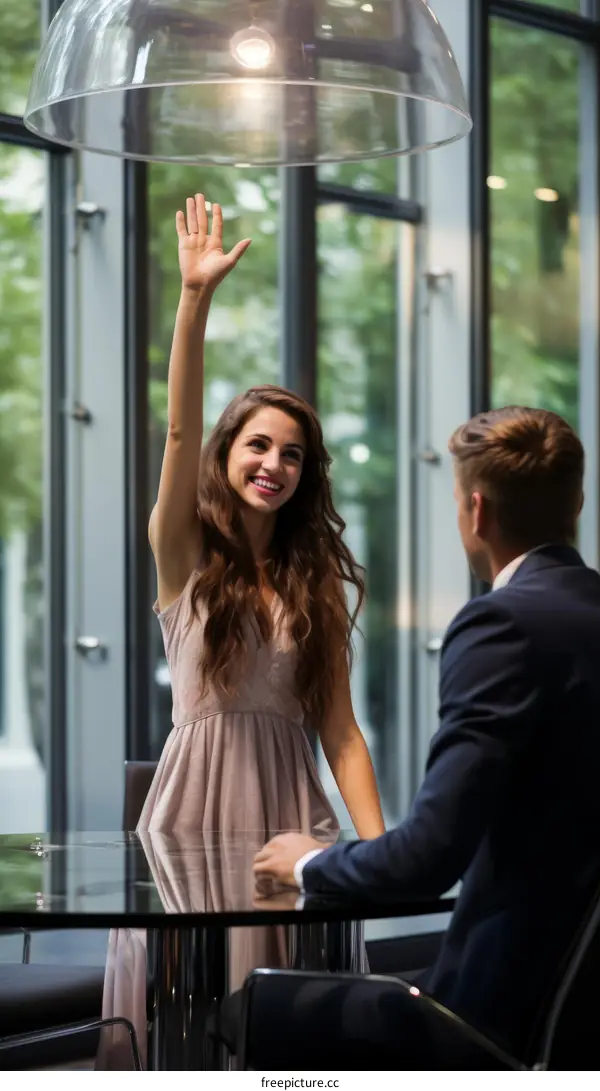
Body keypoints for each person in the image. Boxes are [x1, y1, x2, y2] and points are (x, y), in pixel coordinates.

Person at [97, 194, 384, 1069]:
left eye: (294, 454)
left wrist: (381, 855)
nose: (275, 465)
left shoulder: (315, 582)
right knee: (191, 1023)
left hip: (291, 813)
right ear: (227, 454)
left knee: (295, 1032)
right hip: (192, 812)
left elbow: (339, 731)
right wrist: (194, 300)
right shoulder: (182, 555)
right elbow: (178, 426)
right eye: (259, 445)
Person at [252, 406, 600, 1068]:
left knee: (262, 1007)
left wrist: (307, 860)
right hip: (581, 1015)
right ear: (577, 502)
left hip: (498, 1016)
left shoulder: (502, 624)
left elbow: (431, 855)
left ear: (475, 510)